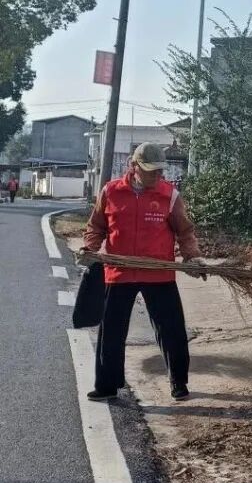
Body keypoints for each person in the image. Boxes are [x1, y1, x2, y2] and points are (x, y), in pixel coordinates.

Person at [81, 143, 203, 402]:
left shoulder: (169, 195)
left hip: (159, 273)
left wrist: (192, 256)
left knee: (172, 330)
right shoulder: (111, 192)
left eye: (160, 170)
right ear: (133, 166)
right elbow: (96, 226)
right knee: (111, 331)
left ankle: (179, 382)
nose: (157, 175)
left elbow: (185, 231)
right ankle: (107, 385)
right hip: (119, 271)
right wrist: (89, 249)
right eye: (150, 170)